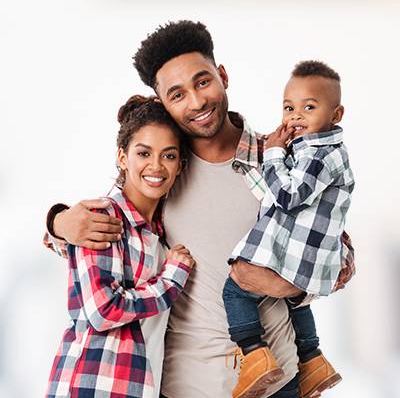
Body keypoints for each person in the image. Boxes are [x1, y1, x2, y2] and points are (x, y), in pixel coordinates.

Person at [44, 21, 355, 398]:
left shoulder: (277, 159)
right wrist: (58, 221)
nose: (196, 101)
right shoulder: (164, 172)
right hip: (185, 385)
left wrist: (302, 280)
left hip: (278, 380)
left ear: (222, 76)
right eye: (177, 94)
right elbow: (111, 229)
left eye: (203, 82)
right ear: (163, 103)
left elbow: (331, 244)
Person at [45, 95, 195, 398]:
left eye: (168, 155)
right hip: (95, 384)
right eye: (144, 153)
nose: (156, 165)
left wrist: (54, 227)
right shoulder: (102, 218)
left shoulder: (162, 231)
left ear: (180, 165)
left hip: (137, 385)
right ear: (123, 157)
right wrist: (171, 280)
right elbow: (103, 309)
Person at [222, 60, 354, 398]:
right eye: (288, 107)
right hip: (306, 263)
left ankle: (255, 355)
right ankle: (311, 360)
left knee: (236, 287)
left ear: (335, 115)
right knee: (296, 305)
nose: (295, 116)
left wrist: (274, 154)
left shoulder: (320, 154)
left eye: (309, 107)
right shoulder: (314, 151)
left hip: (298, 260)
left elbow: (288, 195)